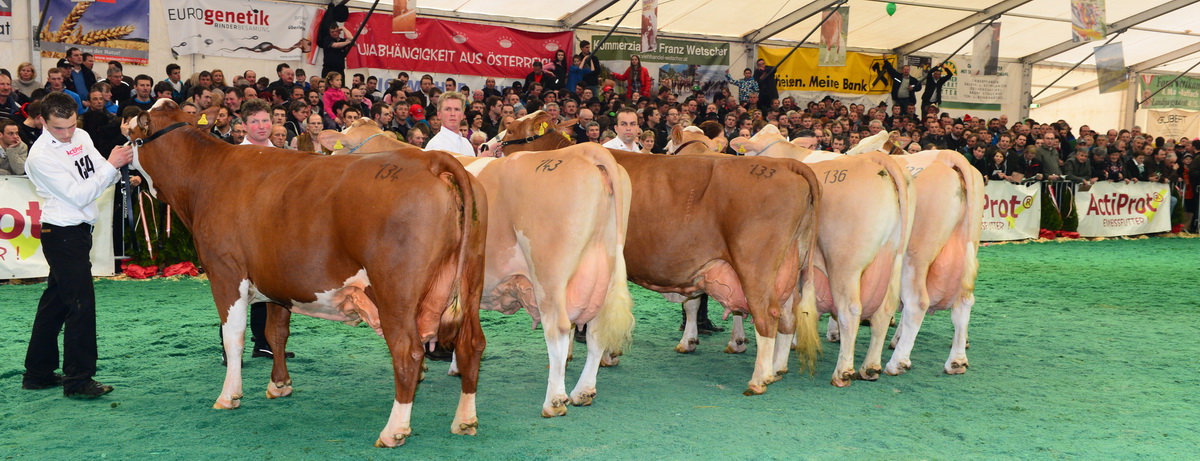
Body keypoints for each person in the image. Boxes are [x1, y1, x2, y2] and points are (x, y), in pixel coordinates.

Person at [22, 92, 133, 398]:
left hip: (78, 231)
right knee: (80, 305)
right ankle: (78, 380)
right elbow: (82, 192)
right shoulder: (40, 156)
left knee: (55, 304)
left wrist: (113, 166)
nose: (68, 133)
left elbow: (101, 175)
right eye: (60, 128)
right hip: (62, 233)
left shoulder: (81, 135)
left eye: (71, 125)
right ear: (43, 120)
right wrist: (111, 166)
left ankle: (38, 373)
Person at [222, 98, 294, 361]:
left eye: (266, 120)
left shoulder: (283, 154)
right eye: (255, 121)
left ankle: (266, 343)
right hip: (240, 235)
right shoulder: (234, 156)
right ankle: (228, 348)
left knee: (273, 290)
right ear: (244, 124)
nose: (262, 126)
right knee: (233, 292)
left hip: (274, 232)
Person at [424, 91, 473, 156]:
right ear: (439, 114)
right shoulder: (435, 146)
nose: (453, 114)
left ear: (462, 115)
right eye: (447, 109)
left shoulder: (466, 143)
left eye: (457, 109)